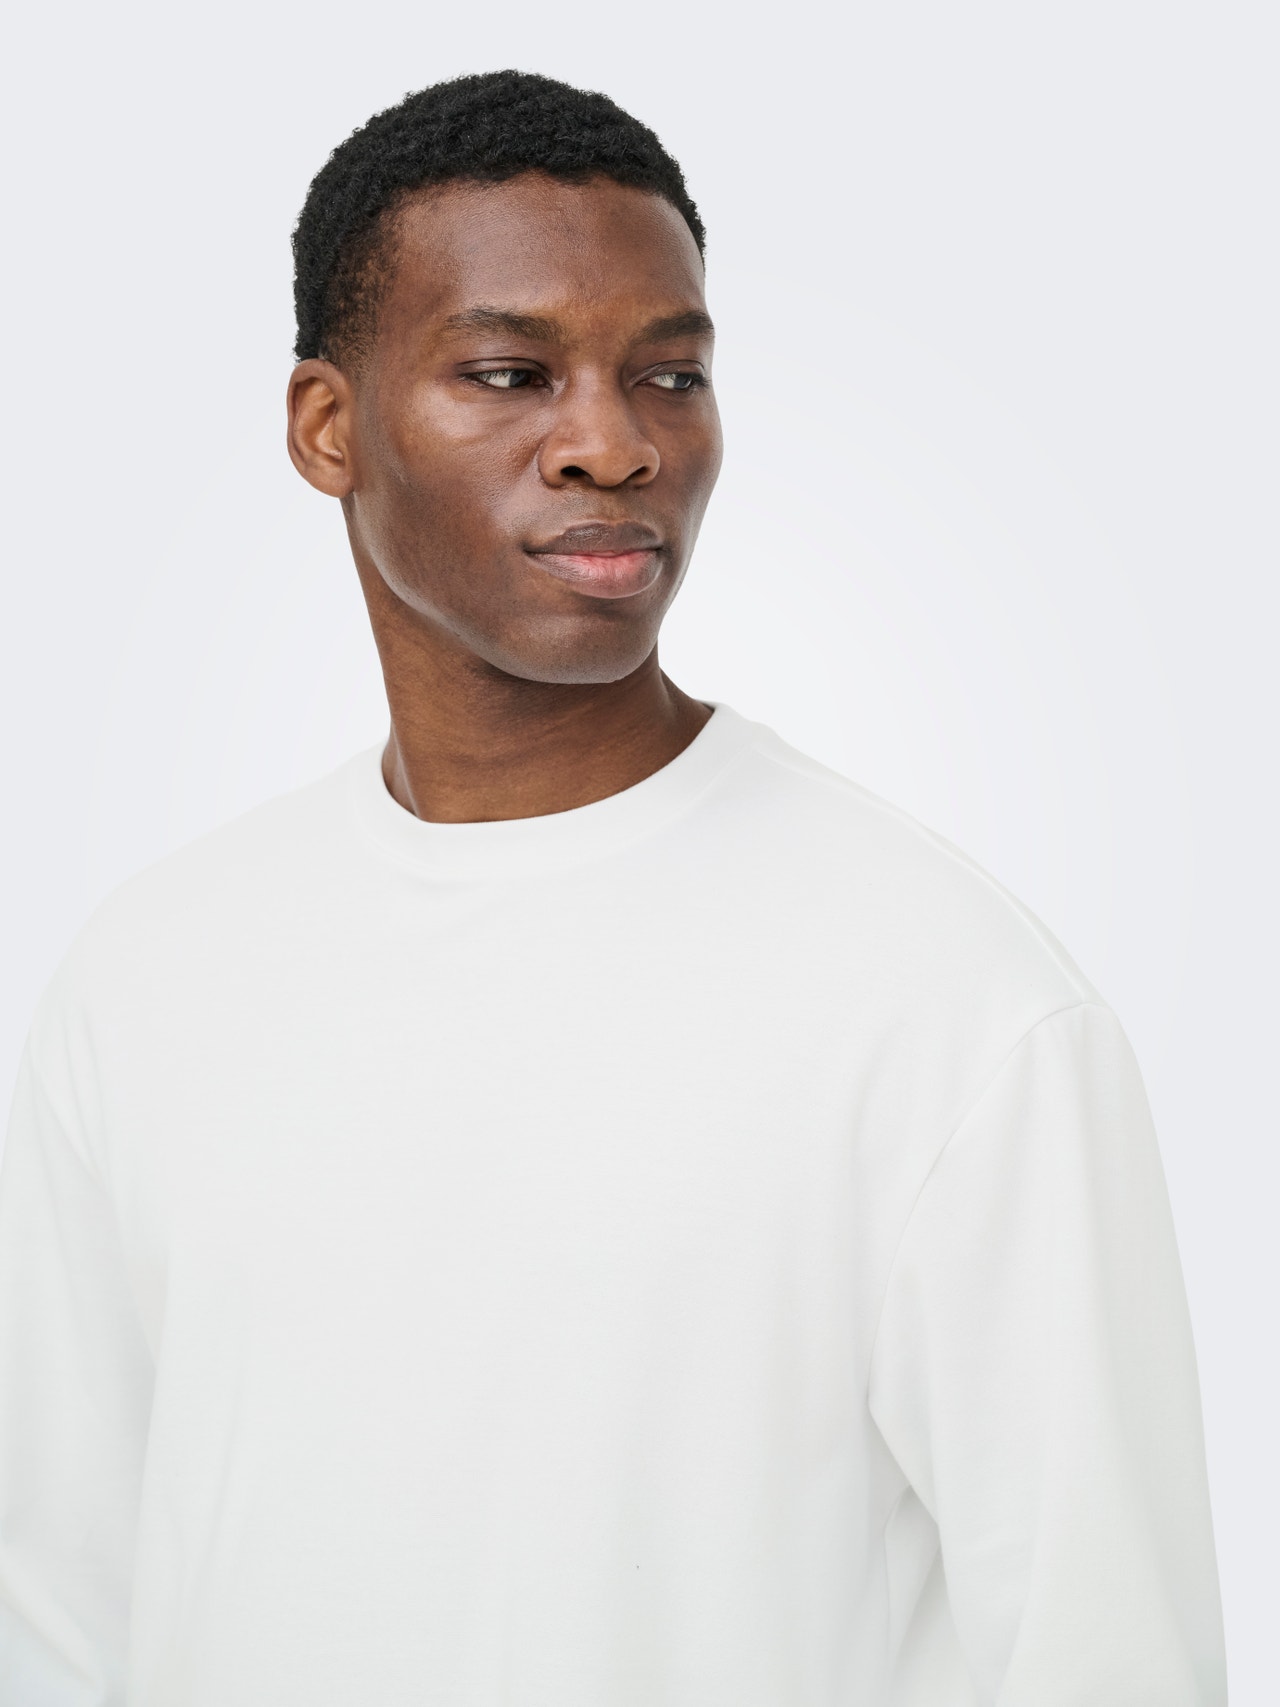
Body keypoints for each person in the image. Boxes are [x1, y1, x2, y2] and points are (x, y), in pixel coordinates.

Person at [0, 68, 1227, 1707]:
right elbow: (64, 1612)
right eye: (511, 374)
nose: (615, 444)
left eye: (671, 375)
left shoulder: (955, 1005)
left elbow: (1106, 1654)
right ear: (327, 427)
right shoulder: (150, 975)